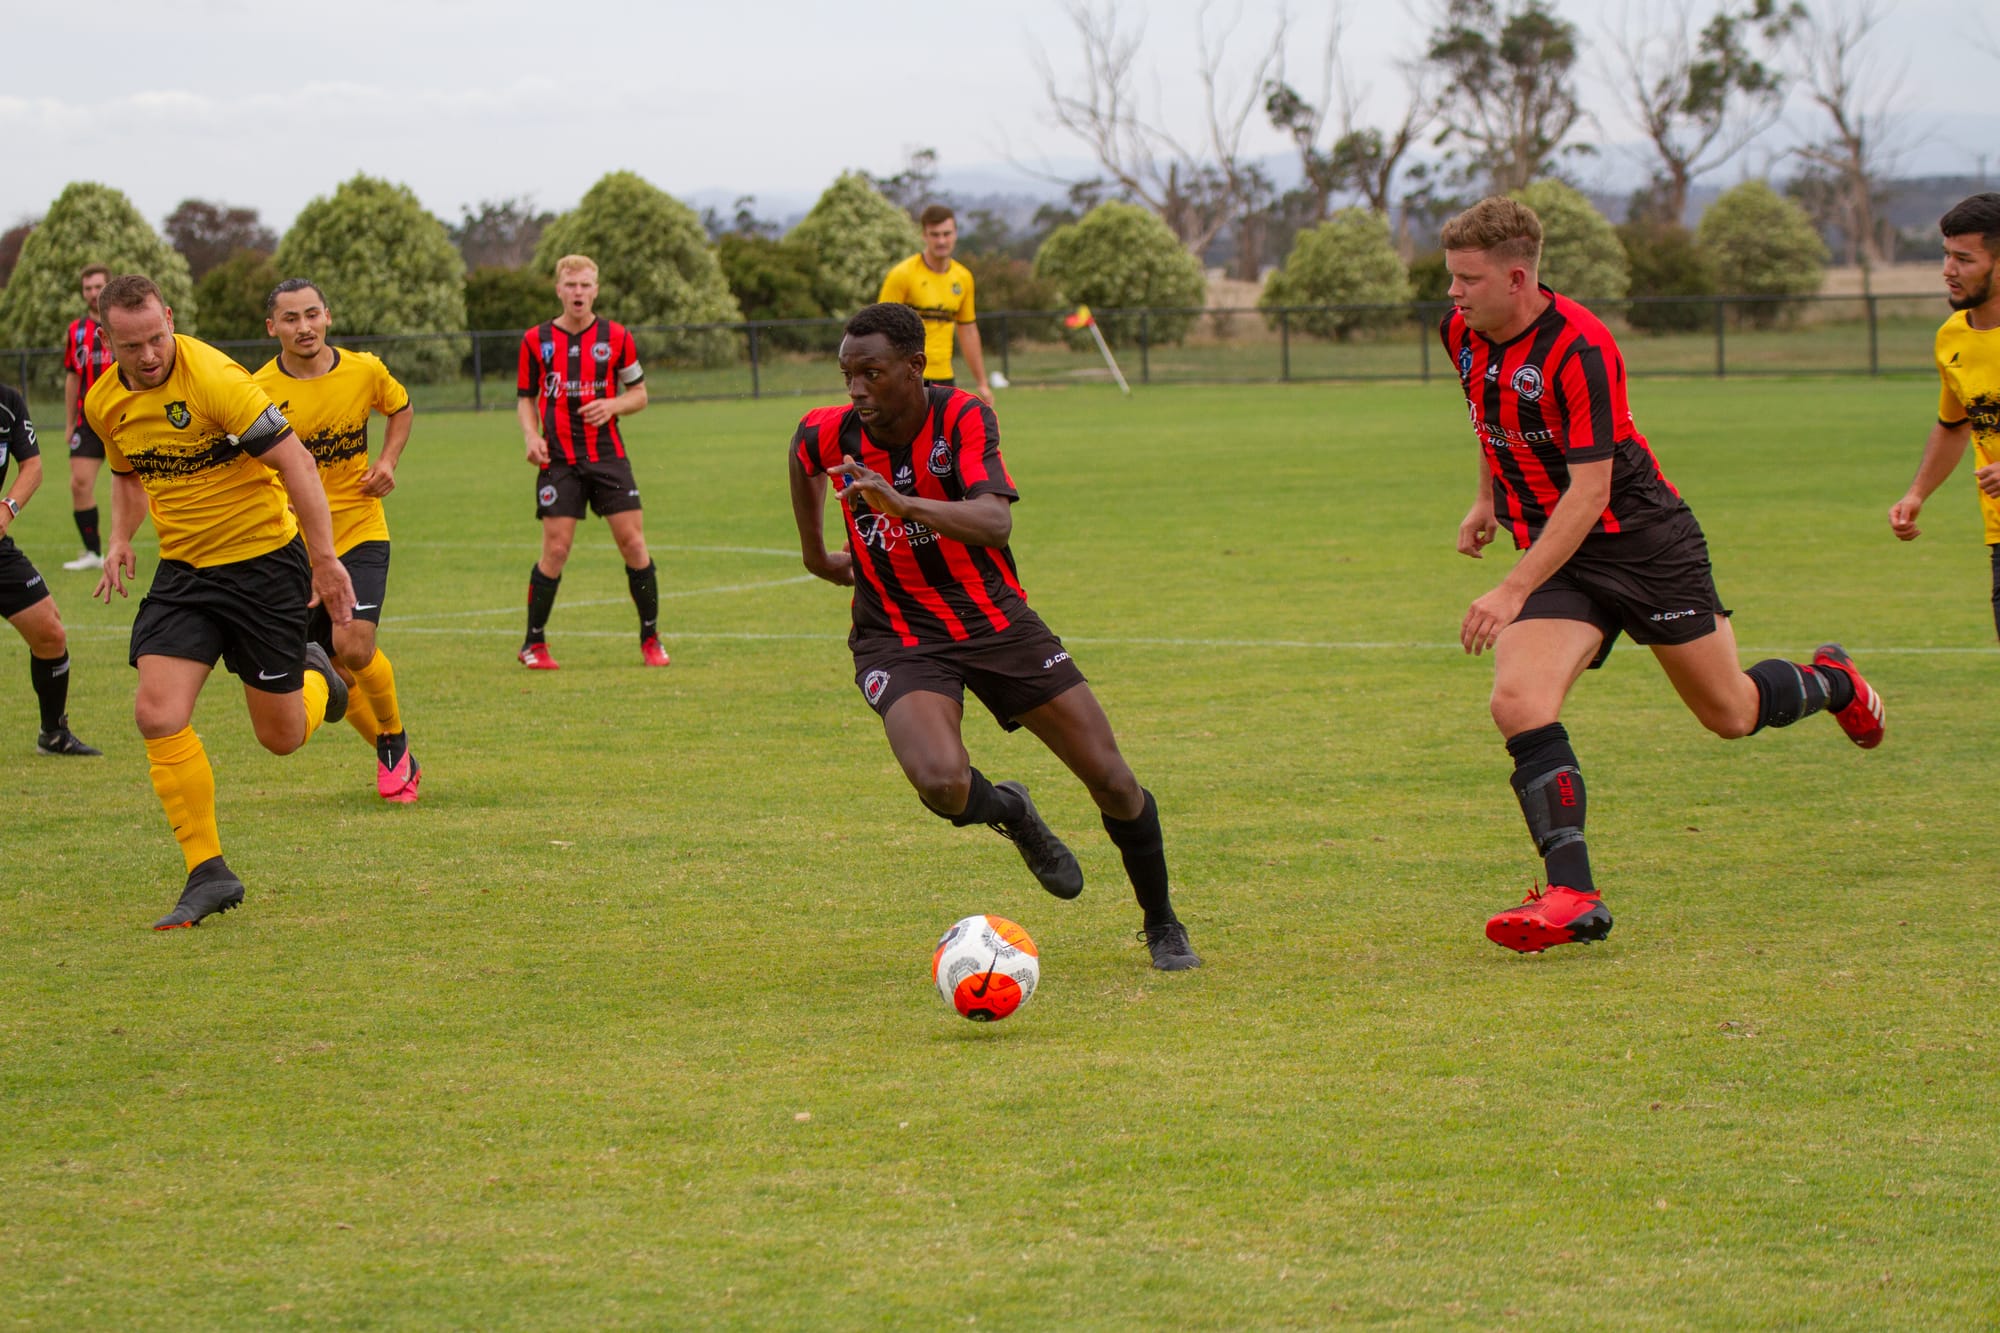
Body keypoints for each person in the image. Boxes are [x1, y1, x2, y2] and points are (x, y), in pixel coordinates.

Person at [1439, 197, 1884, 954]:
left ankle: (1835, 681)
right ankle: (1572, 893)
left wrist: (1512, 586)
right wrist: (1486, 498)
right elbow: (1492, 416)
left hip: (1644, 544)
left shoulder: (1580, 348)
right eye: (1450, 279)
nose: (1452, 293)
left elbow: (1592, 490)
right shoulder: (1464, 333)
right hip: (1557, 550)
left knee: (1731, 713)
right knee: (1518, 700)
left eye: (1467, 279)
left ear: (1517, 278)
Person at [787, 302, 1199, 971]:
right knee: (942, 783)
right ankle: (1011, 808)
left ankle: (1162, 922)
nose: (855, 389)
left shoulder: (963, 416)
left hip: (995, 622)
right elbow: (802, 456)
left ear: (915, 367)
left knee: (1114, 781)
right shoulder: (829, 431)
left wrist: (902, 503)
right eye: (846, 374)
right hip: (897, 634)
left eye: (872, 372)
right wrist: (817, 555)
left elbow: (993, 520)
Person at [87, 273, 356, 930]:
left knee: (282, 737)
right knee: (156, 711)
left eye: (157, 337)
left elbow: (296, 463)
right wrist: (121, 536)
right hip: (186, 573)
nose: (149, 355)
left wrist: (324, 561)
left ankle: (319, 676)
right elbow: (128, 476)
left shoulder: (218, 380)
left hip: (264, 564)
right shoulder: (104, 403)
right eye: (132, 346)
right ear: (107, 340)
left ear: (170, 317)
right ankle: (208, 870)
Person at [253, 277, 421, 802]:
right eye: (290, 318)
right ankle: (396, 760)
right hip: (293, 544)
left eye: (311, 315)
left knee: (352, 642)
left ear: (327, 316)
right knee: (331, 669)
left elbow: (401, 407)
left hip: (360, 528)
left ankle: (393, 739)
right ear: (272, 327)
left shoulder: (364, 369)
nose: (303, 327)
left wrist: (388, 461)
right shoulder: (255, 391)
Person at [514, 253, 664, 669]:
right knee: (556, 549)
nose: (578, 292)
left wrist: (613, 404)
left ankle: (651, 639)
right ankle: (534, 644)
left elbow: (641, 394)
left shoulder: (617, 337)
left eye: (585, 285)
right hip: (558, 460)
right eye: (570, 285)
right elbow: (526, 399)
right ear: (559, 289)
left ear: (595, 289)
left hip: (607, 456)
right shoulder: (535, 340)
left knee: (634, 544)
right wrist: (530, 436)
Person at [1889, 193, 2000, 634]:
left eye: (1964, 259)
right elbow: (1954, 425)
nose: (1948, 271)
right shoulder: (1952, 337)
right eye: (1946, 256)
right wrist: (1917, 494)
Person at [0, 378, 99, 756]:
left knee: (50, 633)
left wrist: (7, 508)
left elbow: (33, 467)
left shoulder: (8, 403)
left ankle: (53, 734)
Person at [878, 205, 994, 406]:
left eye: (946, 234)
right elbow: (880, 330)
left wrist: (982, 382)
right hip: (908, 378)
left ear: (955, 234)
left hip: (945, 379)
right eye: (935, 235)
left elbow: (968, 331)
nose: (941, 241)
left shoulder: (963, 278)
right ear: (924, 235)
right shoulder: (902, 275)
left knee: (945, 437)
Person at [60, 263, 114, 572]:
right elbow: (71, 378)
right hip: (87, 420)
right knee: (79, 483)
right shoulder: (75, 331)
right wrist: (69, 422)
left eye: (98, 287)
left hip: (124, 418)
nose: (92, 293)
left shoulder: (123, 324)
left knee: (152, 483)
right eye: (87, 288)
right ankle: (94, 553)